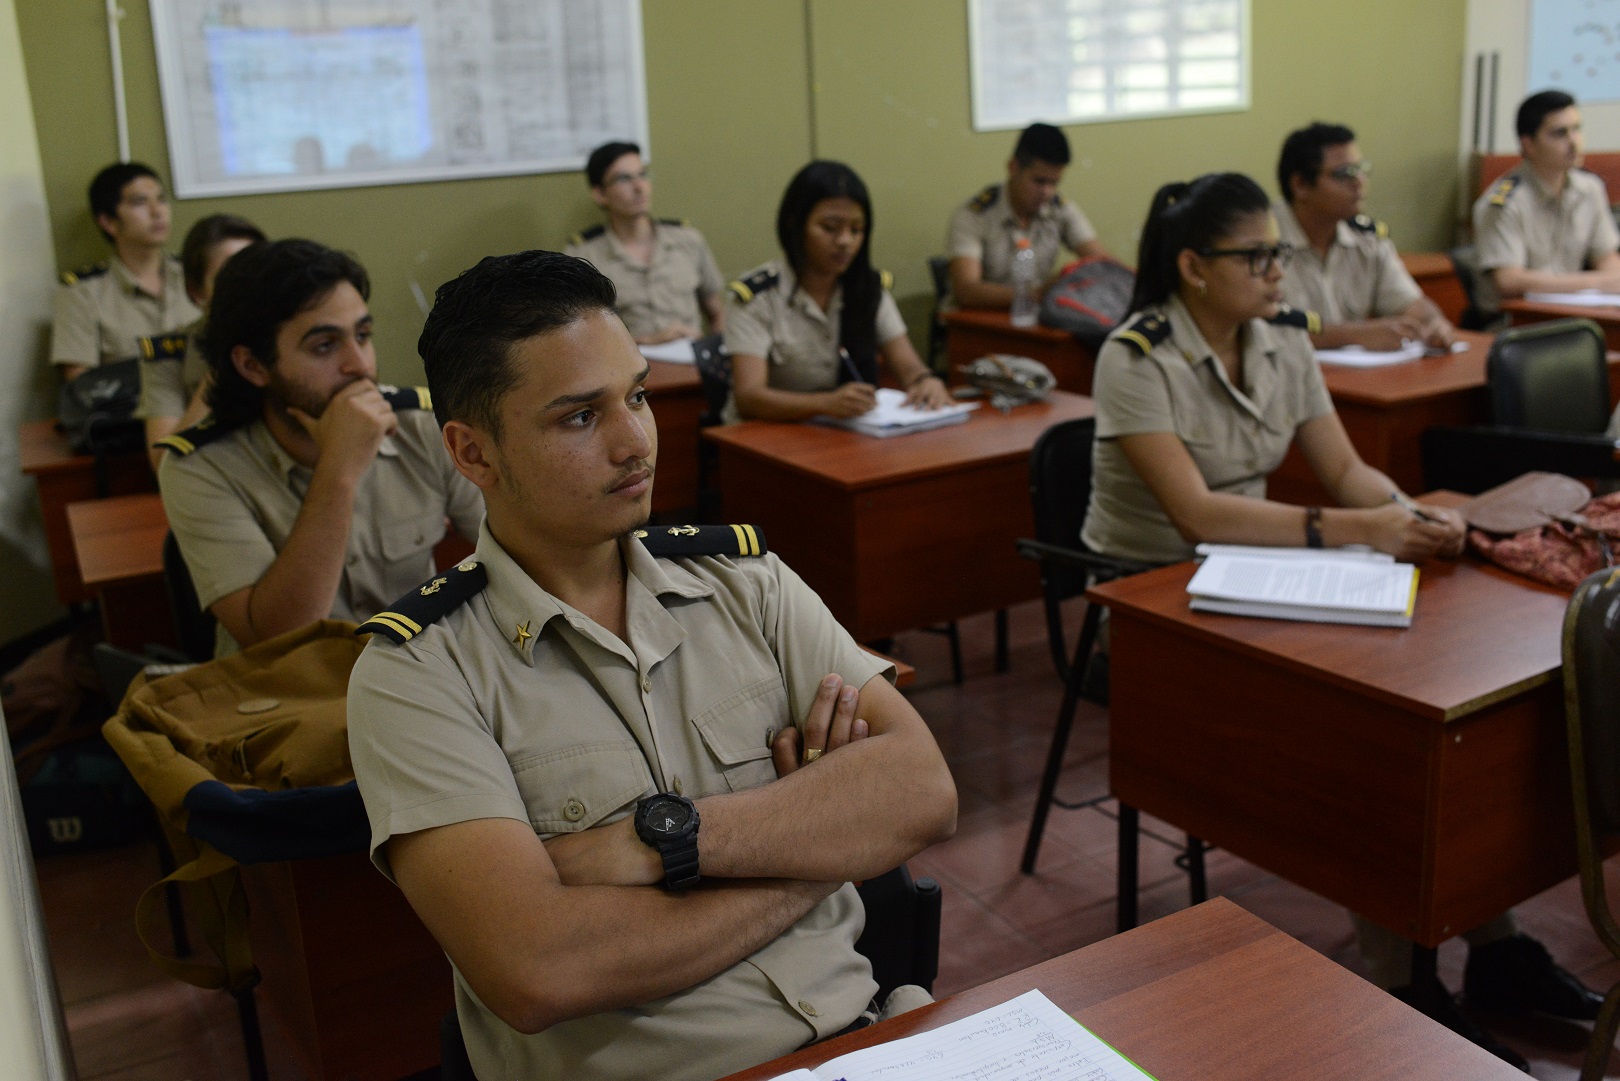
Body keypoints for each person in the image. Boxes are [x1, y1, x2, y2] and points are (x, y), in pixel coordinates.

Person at [344, 250, 957, 1081]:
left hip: (864, 1041)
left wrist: (661, 843)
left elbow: (923, 790)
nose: (636, 441)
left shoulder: (746, 582)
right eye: (578, 418)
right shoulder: (417, 674)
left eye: (635, 395)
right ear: (474, 453)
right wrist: (815, 847)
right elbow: (539, 969)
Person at [1086, 172, 1597, 1071]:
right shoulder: (1135, 353)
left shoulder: (1281, 340)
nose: (1280, 272)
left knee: (1420, 699)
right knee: (1364, 728)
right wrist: (1360, 530)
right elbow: (1197, 514)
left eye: (1280, 252)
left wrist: (1409, 516)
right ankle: (1403, 979)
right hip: (1148, 605)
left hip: (1249, 580)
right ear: (1194, 267)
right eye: (1259, 256)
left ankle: (1496, 947)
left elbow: (1347, 470)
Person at [155, 239, 482, 657]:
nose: (360, 365)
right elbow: (277, 641)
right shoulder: (200, 467)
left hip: (421, 676)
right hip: (292, 699)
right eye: (324, 346)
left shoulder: (422, 424)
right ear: (253, 365)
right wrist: (339, 471)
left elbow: (520, 553)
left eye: (362, 335)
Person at [725, 160, 952, 422]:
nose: (845, 241)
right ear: (794, 224)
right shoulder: (757, 297)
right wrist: (824, 404)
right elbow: (749, 397)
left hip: (842, 433)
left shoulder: (867, 288)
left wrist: (925, 381)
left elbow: (909, 366)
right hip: (766, 435)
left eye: (856, 230)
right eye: (830, 228)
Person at [1274, 122, 1454, 350]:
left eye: (1361, 169)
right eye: (1344, 173)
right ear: (1300, 185)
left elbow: (1410, 304)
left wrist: (1434, 323)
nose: (1359, 182)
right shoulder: (1263, 244)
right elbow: (1266, 328)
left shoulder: (1366, 238)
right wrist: (1355, 335)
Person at [1473, 90, 1620, 318]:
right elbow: (1508, 281)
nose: (1574, 142)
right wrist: (1595, 282)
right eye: (1560, 133)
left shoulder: (1589, 189)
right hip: (1511, 322)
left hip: (1569, 313)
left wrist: (1610, 281)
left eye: (1576, 129)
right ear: (1528, 144)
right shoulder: (1503, 201)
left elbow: (1607, 259)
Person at [137, 213, 267, 471]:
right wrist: (225, 368)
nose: (254, 287)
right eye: (233, 278)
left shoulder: (300, 339)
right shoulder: (170, 353)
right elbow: (163, 461)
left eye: (262, 271)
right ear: (198, 292)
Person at [565, 141, 726, 345]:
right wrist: (647, 341)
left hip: (694, 364)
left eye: (642, 175)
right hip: (628, 370)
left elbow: (718, 313)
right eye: (624, 179)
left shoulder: (688, 240)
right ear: (600, 194)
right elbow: (582, 336)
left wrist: (718, 353)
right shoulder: (584, 255)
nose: (639, 187)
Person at [50, 162, 199, 382]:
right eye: (140, 202)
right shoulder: (82, 292)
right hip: (128, 412)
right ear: (108, 222)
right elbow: (80, 384)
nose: (157, 212)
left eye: (161, 199)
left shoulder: (195, 272)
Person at [945, 123, 1109, 310]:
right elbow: (966, 291)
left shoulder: (1058, 209)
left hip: (1033, 322)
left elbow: (1101, 262)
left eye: (1054, 183)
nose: (1047, 192)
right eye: (1039, 181)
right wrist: (1036, 294)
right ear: (1013, 167)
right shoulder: (973, 216)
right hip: (981, 324)